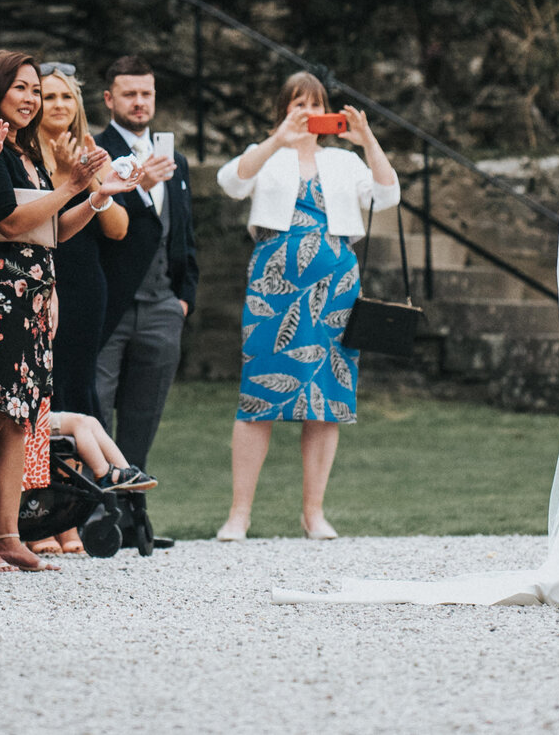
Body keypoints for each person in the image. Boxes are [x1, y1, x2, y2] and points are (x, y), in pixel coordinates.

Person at [0, 50, 128, 574]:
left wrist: (92, 198)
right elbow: (8, 221)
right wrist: (71, 184)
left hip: (33, 290)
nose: (32, 99)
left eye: (35, 90)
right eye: (21, 88)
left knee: (22, 418)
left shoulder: (25, 153)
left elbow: (49, 231)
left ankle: (9, 533)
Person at [213, 73, 400, 541]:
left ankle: (313, 513)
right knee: (258, 392)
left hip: (335, 284)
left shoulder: (343, 160)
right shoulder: (267, 153)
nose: (308, 112)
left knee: (326, 396)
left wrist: (368, 140)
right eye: (298, 104)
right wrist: (279, 137)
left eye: (316, 104)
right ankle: (239, 514)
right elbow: (231, 182)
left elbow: (387, 195)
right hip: (274, 284)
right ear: (283, 108)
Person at [91, 55, 197, 492]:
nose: (139, 102)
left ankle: (135, 517)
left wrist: (183, 297)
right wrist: (141, 185)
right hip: (109, 304)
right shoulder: (94, 152)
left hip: (162, 306)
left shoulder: (176, 160)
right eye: (129, 94)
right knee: (96, 407)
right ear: (108, 98)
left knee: (145, 413)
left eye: (146, 93)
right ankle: (94, 512)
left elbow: (184, 234)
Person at [38, 65, 124, 426]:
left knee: (79, 380)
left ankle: (77, 474)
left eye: (66, 96)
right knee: (46, 381)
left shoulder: (93, 151)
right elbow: (44, 225)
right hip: (40, 278)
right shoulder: (26, 155)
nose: (59, 105)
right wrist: (64, 174)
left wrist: (90, 180)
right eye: (49, 97)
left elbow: (119, 229)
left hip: (85, 283)